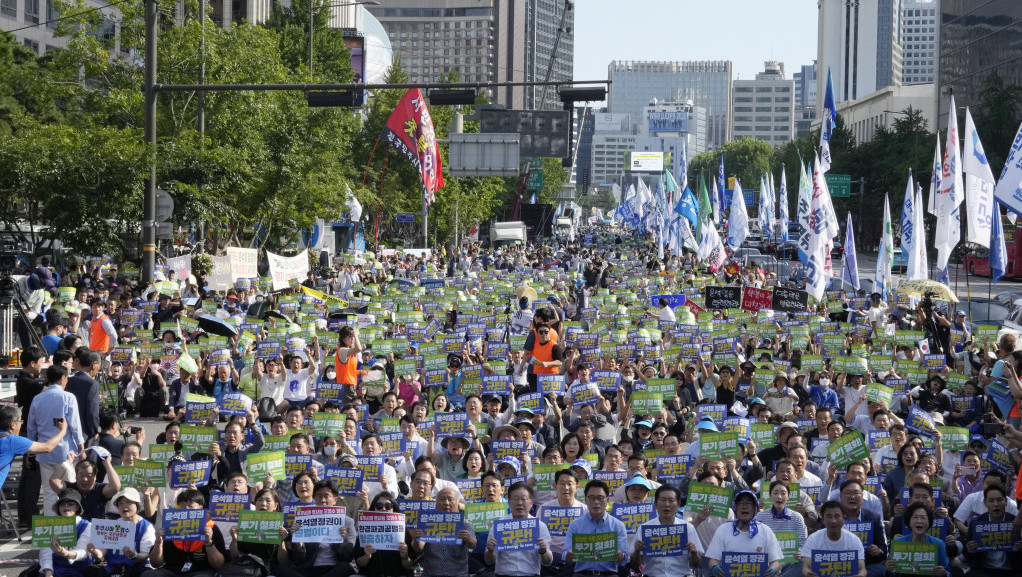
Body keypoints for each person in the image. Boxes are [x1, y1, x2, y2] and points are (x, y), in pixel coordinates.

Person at [27, 365, 86, 515]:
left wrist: (32, 447)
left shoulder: (37, 398)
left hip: (43, 451)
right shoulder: (68, 397)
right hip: (66, 453)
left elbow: (31, 426)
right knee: (69, 491)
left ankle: (51, 530)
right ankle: (70, 529)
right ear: (62, 378)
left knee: (48, 493)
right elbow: (75, 425)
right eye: (67, 377)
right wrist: (81, 447)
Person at [143, 489, 227, 577]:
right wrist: (158, 543)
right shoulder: (170, 528)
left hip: (201, 571)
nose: (186, 509)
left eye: (191, 505)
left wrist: (209, 543)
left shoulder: (211, 528)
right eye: (182, 505)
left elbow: (219, 565)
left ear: (201, 508)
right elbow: (155, 564)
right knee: (149, 574)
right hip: (173, 571)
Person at [705, 490, 783, 577]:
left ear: (755, 508)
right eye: (740, 502)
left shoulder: (766, 530)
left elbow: (776, 562)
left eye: (749, 503)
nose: (744, 506)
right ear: (735, 507)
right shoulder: (723, 529)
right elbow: (713, 559)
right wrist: (715, 567)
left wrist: (771, 569)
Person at [629, 484, 702, 577]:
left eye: (671, 500)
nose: (667, 504)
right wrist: (637, 551)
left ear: (678, 505)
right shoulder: (644, 529)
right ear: (655, 504)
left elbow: (696, 564)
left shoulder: (688, 528)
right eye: (662, 500)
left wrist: (694, 552)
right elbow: (634, 565)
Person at [484, 482, 554, 577]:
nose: (519, 503)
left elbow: (548, 562)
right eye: (515, 499)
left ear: (531, 502)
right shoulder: (499, 526)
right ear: (509, 502)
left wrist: (543, 551)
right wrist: (490, 551)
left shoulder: (540, 526)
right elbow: (489, 561)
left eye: (524, 499)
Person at [84, 488, 155, 577]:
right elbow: (101, 553)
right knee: (90, 571)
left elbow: (145, 556)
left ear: (137, 505)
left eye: (128, 502)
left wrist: (134, 555)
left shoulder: (146, 527)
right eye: (121, 503)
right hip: (112, 567)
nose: (124, 506)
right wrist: (94, 551)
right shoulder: (112, 525)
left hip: (136, 567)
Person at [564, 479, 627, 577]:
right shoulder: (575, 525)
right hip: (582, 574)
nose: (596, 502)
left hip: (609, 574)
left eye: (600, 497)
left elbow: (624, 558)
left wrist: (621, 556)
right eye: (592, 498)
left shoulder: (618, 526)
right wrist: (568, 555)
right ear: (586, 500)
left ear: (607, 500)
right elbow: (565, 554)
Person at [414, 487, 477, 577]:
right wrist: (416, 538)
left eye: (450, 499)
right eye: (442, 499)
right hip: (431, 574)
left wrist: (469, 539)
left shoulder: (465, 524)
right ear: (436, 503)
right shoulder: (427, 522)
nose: (446, 503)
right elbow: (418, 548)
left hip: (458, 574)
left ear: (457, 503)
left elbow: (473, 544)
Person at [352, 493, 419, 577]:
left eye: (388, 506)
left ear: (393, 509)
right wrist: (366, 556)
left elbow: (408, 565)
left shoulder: (402, 530)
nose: (383, 509)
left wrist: (404, 557)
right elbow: (359, 564)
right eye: (379, 506)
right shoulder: (365, 528)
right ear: (373, 508)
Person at [962, 485, 1022, 576]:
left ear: (1005, 501)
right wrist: (971, 551)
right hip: (984, 570)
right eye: (991, 500)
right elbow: (971, 558)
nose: (996, 504)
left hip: (1011, 571)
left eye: (999, 500)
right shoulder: (977, 523)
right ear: (985, 503)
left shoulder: (1015, 522)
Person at [799, 500, 866, 577]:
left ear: (844, 519)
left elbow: (862, 569)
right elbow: (806, 567)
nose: (833, 521)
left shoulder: (854, 540)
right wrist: (808, 574)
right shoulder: (813, 539)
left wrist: (861, 575)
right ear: (823, 520)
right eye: (829, 517)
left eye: (837, 516)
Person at [885, 502, 950, 577]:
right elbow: (892, 574)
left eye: (923, 517)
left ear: (929, 522)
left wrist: (944, 573)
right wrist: (888, 569)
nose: (919, 521)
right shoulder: (898, 543)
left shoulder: (938, 544)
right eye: (915, 517)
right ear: (909, 522)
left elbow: (947, 571)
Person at [40, 488, 94, 577]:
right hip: (55, 569)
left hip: (80, 570)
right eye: (62, 503)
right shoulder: (50, 525)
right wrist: (48, 571)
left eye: (70, 503)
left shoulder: (87, 526)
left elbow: (83, 553)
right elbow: (46, 553)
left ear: (77, 507)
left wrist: (65, 553)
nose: (66, 506)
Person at [67, 350, 101, 441]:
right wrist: (94, 430)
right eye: (99, 367)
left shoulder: (68, 380)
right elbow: (92, 411)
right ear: (94, 364)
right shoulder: (92, 384)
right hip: (84, 431)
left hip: (67, 429)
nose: (98, 370)